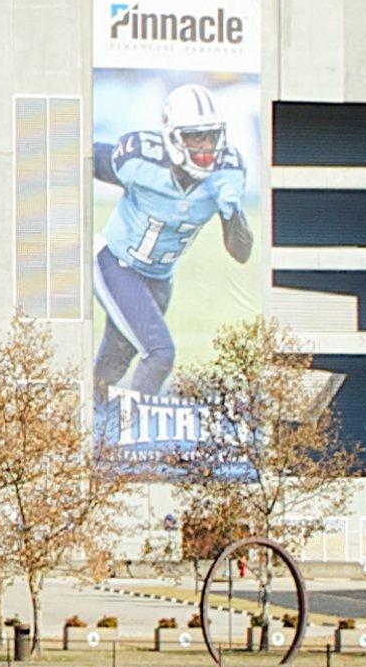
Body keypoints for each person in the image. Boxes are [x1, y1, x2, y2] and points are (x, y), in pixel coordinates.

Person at [89, 76, 255, 421]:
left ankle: (86, 417)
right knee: (160, 353)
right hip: (116, 262)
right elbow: (88, 158)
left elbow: (241, 253)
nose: (205, 145)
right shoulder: (141, 161)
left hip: (159, 277)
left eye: (211, 135)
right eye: (195, 136)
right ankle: (127, 432)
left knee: (115, 358)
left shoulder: (228, 172)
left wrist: (232, 212)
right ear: (173, 137)